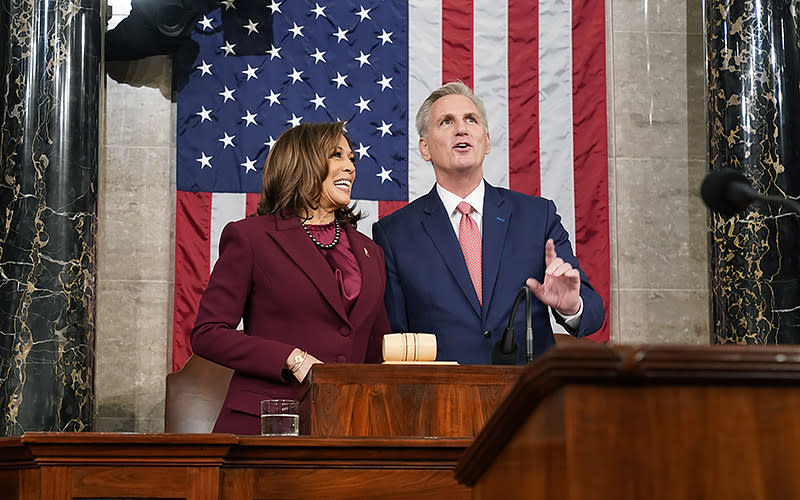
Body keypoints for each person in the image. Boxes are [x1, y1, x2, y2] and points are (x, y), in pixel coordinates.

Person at [372, 82, 604, 365]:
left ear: (487, 140)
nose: (462, 129)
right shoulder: (395, 233)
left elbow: (593, 312)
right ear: (425, 148)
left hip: (527, 397)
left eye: (471, 119)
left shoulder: (537, 216)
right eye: (447, 122)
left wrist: (571, 307)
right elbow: (395, 339)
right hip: (441, 401)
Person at [191, 122, 391, 434]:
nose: (349, 167)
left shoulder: (371, 252)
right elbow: (208, 334)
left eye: (352, 159)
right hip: (269, 425)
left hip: (348, 426)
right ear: (303, 162)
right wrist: (290, 358)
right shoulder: (250, 238)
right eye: (336, 156)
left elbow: (377, 352)